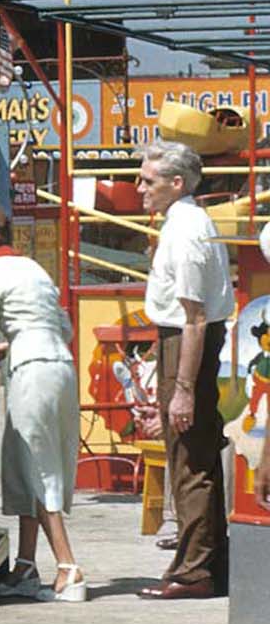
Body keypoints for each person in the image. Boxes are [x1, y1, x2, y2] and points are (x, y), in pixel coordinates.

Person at [0, 200, 84, 602]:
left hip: (30, 371)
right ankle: (26, 565)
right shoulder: (34, 268)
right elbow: (63, 326)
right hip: (59, 366)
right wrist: (14, 339)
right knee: (27, 461)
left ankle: (69, 568)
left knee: (35, 464)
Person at [135, 140, 233, 600]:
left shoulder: (186, 230)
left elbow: (194, 320)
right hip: (181, 344)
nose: (139, 188)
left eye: (147, 180)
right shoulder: (186, 223)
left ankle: (195, 569)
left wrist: (183, 390)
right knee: (193, 455)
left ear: (177, 183)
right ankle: (209, 560)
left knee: (190, 460)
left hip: (187, 347)